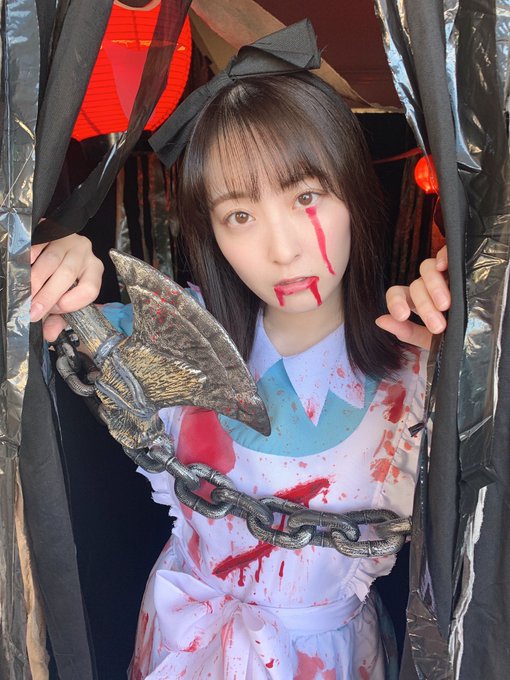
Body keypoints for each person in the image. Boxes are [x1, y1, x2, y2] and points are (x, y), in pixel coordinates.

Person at [32, 22, 451, 680]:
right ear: (212, 234)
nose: (282, 250)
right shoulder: (175, 334)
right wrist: (57, 257)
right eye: (240, 216)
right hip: (178, 640)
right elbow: (54, 314)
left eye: (306, 197)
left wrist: (475, 340)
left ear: (353, 195)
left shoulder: (423, 365)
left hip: (324, 660)